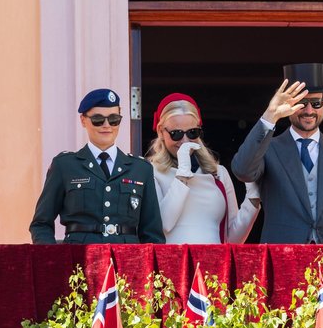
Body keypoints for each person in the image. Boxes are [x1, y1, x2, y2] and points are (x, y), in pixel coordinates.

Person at [231, 63, 323, 244]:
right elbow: (242, 170)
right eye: (301, 103)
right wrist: (270, 115)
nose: (309, 111)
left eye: (316, 103)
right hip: (282, 257)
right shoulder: (268, 149)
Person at [30, 89, 164, 244]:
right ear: (83, 120)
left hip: (127, 262)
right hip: (79, 261)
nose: (107, 125)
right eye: (98, 119)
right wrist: (53, 261)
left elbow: (152, 234)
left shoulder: (140, 169)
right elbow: (41, 224)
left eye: (114, 119)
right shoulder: (65, 166)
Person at [148, 93, 261, 244]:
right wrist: (182, 176)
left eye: (192, 133)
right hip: (173, 263)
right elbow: (163, 225)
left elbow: (233, 240)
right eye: (176, 134)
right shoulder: (150, 171)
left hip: (213, 264)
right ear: (161, 131)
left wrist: (252, 199)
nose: (185, 140)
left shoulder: (219, 173)